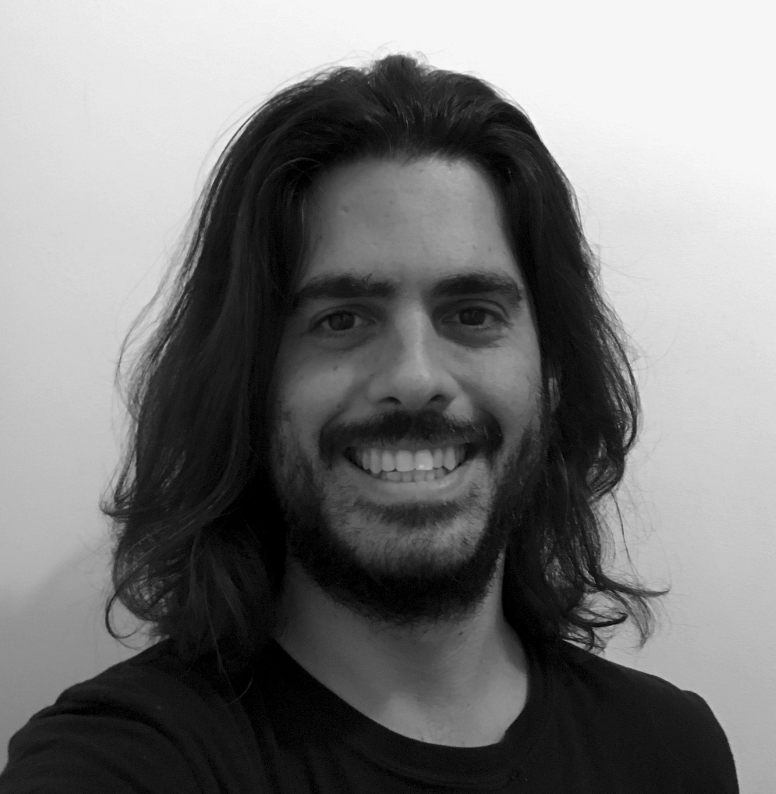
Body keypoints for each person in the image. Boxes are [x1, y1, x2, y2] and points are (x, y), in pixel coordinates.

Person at [0, 53, 738, 793]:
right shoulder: (128, 759)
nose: (415, 378)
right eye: (342, 319)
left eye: (472, 314)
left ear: (552, 375)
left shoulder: (670, 751)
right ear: (250, 382)